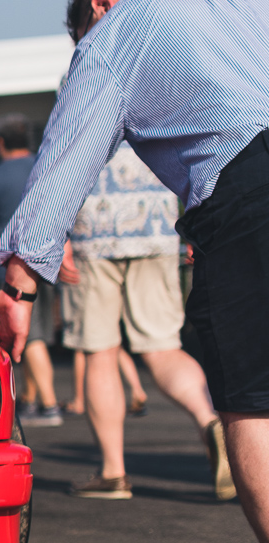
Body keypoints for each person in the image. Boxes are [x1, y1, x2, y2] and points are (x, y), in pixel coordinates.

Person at [0, 0, 266, 543]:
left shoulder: (116, 34)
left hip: (249, 189)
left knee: (253, 398)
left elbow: (66, 158)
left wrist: (19, 285)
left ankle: (113, 468)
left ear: (101, 6)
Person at [54, 140, 223, 498]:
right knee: (163, 346)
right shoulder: (168, 85)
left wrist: (53, 234)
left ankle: (113, 473)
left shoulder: (84, 81)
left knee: (100, 350)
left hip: (92, 232)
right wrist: (197, 220)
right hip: (156, 226)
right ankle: (209, 420)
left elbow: (63, 154)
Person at [0, 119, 61, 425]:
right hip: (50, 261)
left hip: (14, 271)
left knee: (30, 337)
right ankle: (32, 399)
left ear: (0, 142)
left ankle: (49, 404)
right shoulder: (45, 166)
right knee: (39, 335)